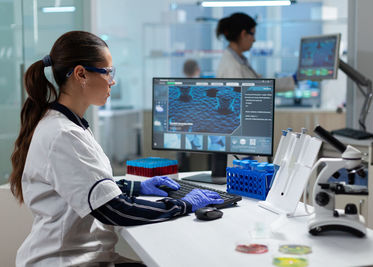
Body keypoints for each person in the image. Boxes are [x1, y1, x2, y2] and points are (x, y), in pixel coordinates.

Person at [9, 31, 223, 267]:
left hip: (84, 256)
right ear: (81, 74)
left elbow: (86, 186)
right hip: (65, 261)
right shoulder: (63, 134)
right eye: (109, 72)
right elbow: (115, 210)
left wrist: (137, 186)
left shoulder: (69, 124)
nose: (113, 81)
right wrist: (184, 205)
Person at [216, 12, 296, 91]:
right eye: (253, 34)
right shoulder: (231, 67)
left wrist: (293, 79)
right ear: (243, 34)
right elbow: (251, 93)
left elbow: (260, 85)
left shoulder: (239, 59)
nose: (254, 40)